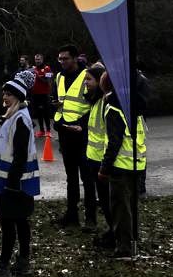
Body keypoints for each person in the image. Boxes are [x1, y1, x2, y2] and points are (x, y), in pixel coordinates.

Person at [0, 70, 40, 277]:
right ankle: (23, 262)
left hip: (14, 184)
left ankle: (4, 265)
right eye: (4, 93)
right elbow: (0, 144)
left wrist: (12, 183)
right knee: (20, 222)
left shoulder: (20, 120)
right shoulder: (14, 117)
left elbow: (20, 155)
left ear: (18, 97)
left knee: (9, 224)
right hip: (17, 183)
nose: (4, 97)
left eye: (9, 94)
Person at [98, 71, 147, 261]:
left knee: (121, 208)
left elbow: (114, 142)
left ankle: (124, 248)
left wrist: (104, 168)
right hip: (137, 163)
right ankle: (133, 240)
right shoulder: (133, 105)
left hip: (120, 166)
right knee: (131, 206)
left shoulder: (113, 108)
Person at [52, 44, 94, 228]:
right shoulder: (59, 77)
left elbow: (94, 106)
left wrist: (82, 125)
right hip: (65, 133)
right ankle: (72, 215)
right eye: (60, 58)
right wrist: (56, 117)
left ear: (75, 58)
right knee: (71, 176)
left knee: (87, 177)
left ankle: (90, 218)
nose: (62, 62)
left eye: (65, 58)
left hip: (82, 134)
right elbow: (57, 101)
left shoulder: (87, 76)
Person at [82, 64, 113, 245]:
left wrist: (105, 165)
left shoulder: (104, 103)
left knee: (107, 200)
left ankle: (114, 233)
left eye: (89, 79)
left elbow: (108, 135)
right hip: (93, 158)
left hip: (101, 161)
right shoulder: (94, 101)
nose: (85, 83)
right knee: (104, 199)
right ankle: (112, 230)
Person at [30, 53, 53, 137]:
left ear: (42, 60)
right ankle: (41, 130)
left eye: (39, 59)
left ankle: (48, 131)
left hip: (44, 95)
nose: (37, 61)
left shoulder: (47, 68)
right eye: (36, 59)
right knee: (38, 113)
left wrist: (37, 74)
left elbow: (48, 82)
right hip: (35, 95)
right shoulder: (34, 69)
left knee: (45, 113)